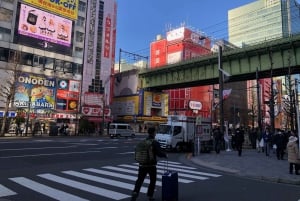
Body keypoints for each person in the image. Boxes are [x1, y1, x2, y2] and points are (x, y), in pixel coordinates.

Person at [131, 127, 167, 201]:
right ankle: (150, 196)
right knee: (152, 181)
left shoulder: (144, 141)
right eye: (155, 132)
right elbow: (159, 153)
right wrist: (165, 155)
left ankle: (135, 192)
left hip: (142, 164)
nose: (155, 133)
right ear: (154, 133)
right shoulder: (154, 142)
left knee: (140, 180)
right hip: (151, 166)